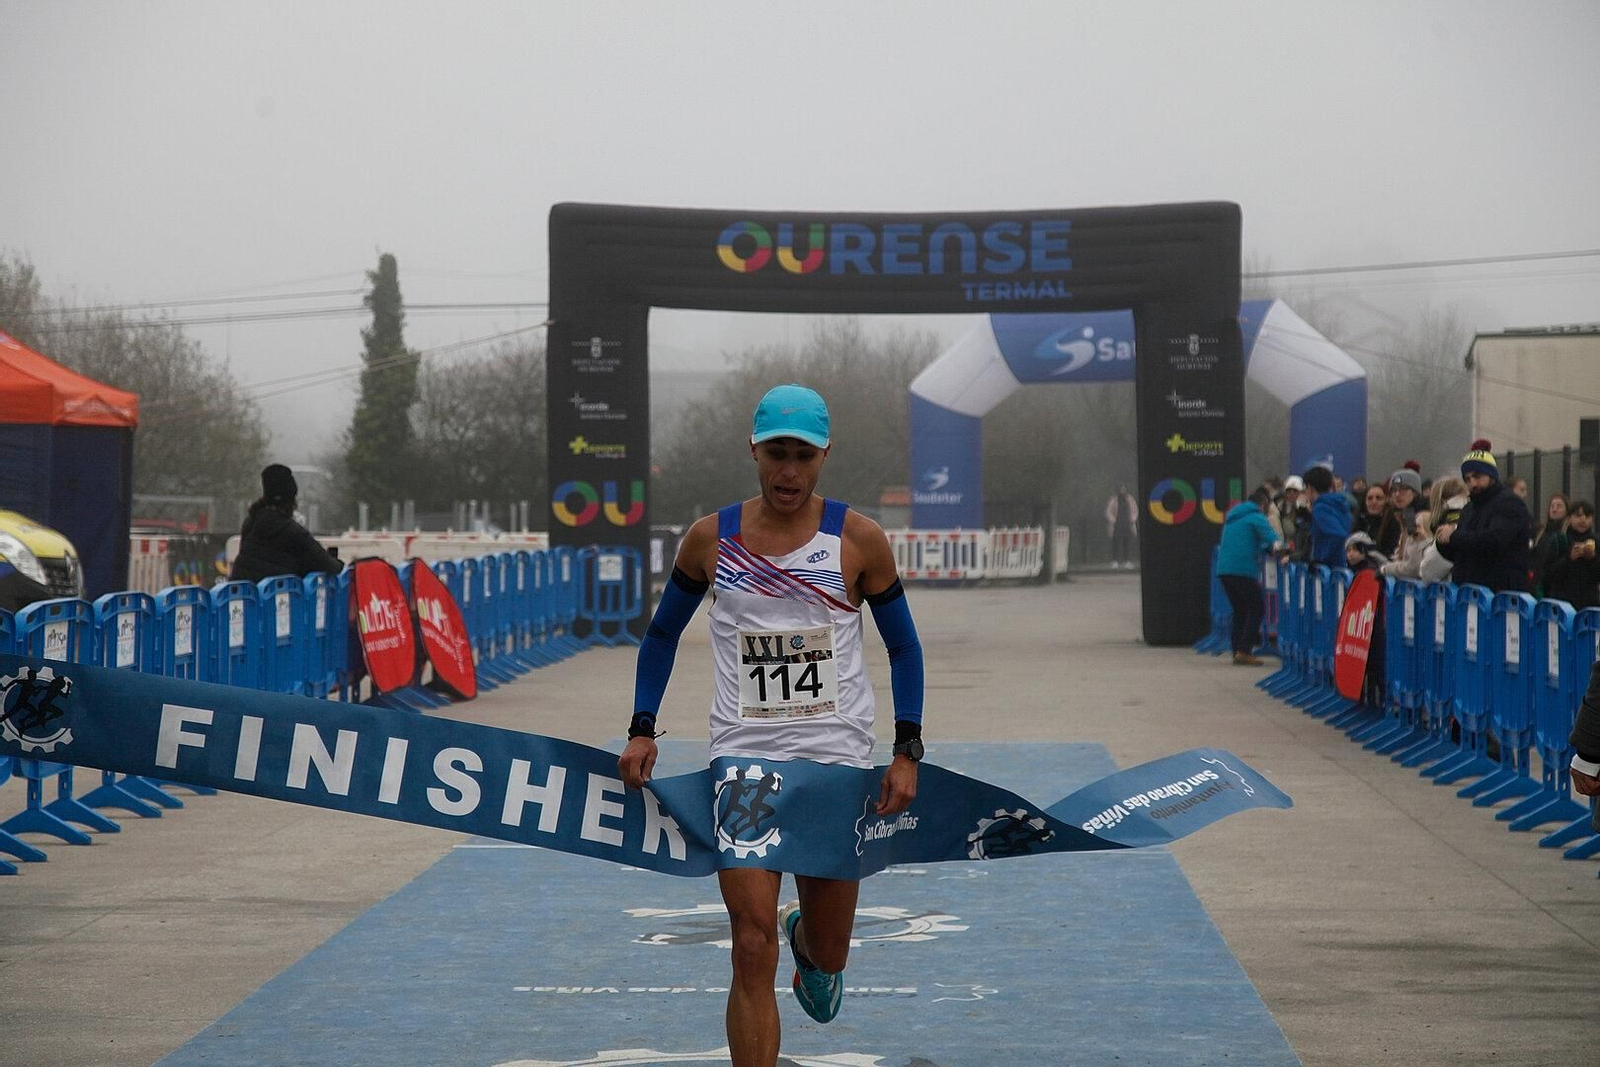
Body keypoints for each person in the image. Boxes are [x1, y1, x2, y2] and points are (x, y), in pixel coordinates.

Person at [617, 384, 924, 1067]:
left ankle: (809, 945)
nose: (789, 471)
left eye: (803, 456)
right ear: (754, 450)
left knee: (830, 953)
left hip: (835, 763)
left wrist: (907, 750)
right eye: (777, 453)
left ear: (823, 457)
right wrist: (643, 726)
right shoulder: (711, 539)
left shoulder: (858, 539)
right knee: (748, 943)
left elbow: (904, 646)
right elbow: (662, 633)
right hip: (745, 760)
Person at [1434, 440, 1533, 593]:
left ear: (1491, 475)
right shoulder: (1469, 508)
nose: (1472, 483)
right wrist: (1443, 541)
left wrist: (1454, 536)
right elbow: (1462, 553)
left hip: (1499, 596)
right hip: (1471, 595)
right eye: (1467, 479)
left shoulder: (1510, 503)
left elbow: (1494, 541)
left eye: (1477, 476)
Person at [229, 465, 343, 583]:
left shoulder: (251, 523)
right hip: (280, 598)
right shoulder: (294, 533)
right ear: (291, 500)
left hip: (243, 597)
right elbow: (330, 566)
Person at [1216, 487, 1283, 666]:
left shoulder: (1233, 518)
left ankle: (1237, 648)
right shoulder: (1256, 517)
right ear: (1263, 505)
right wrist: (1282, 549)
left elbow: (1246, 542)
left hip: (1224, 570)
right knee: (1257, 608)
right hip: (1242, 570)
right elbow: (1273, 540)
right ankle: (1245, 650)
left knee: (1240, 610)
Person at [1542, 500, 1599, 611]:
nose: (1583, 520)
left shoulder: (1596, 541)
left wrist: (1592, 558)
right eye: (1578, 516)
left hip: (1589, 605)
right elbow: (1549, 574)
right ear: (1570, 518)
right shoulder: (1560, 540)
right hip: (1563, 605)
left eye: (1587, 516)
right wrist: (1569, 559)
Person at [1300, 465, 1352, 569]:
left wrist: (1321, 559)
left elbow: (1338, 534)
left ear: (1310, 488)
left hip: (1327, 569)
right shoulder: (1338, 504)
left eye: (1305, 488)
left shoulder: (1320, 508)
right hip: (1339, 565)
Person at [1375, 462, 1423, 559]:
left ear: (1415, 492)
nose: (1397, 494)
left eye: (1403, 489)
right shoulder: (1392, 515)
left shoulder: (1421, 517)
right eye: (1394, 490)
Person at [1531, 492, 1570, 593]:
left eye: (1559, 506)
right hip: (1539, 584)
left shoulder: (1566, 534)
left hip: (1557, 586)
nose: (1554, 509)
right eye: (1552, 506)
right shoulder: (1541, 532)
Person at [1105, 484, 1139, 569]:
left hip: (1127, 523)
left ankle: (1127, 561)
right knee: (1116, 542)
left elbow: (1135, 510)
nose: (1123, 491)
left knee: (1126, 542)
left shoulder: (1130, 499)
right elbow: (1108, 511)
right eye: (1121, 489)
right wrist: (1113, 520)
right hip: (1116, 524)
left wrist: (1133, 519)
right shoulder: (1113, 500)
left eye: (1124, 489)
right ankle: (1115, 561)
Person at [1277, 475, 1304, 548]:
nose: (1291, 494)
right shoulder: (1278, 506)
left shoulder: (1303, 508)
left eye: (1295, 491)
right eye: (1288, 491)